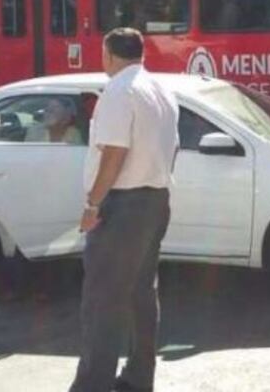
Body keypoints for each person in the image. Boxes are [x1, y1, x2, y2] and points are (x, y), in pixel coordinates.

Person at [70, 28, 179, 392]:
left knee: (102, 299)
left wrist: (92, 203)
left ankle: (93, 385)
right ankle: (138, 377)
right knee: (141, 294)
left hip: (123, 204)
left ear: (109, 55)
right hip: (156, 199)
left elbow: (115, 153)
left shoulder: (119, 91)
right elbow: (172, 148)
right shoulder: (161, 90)